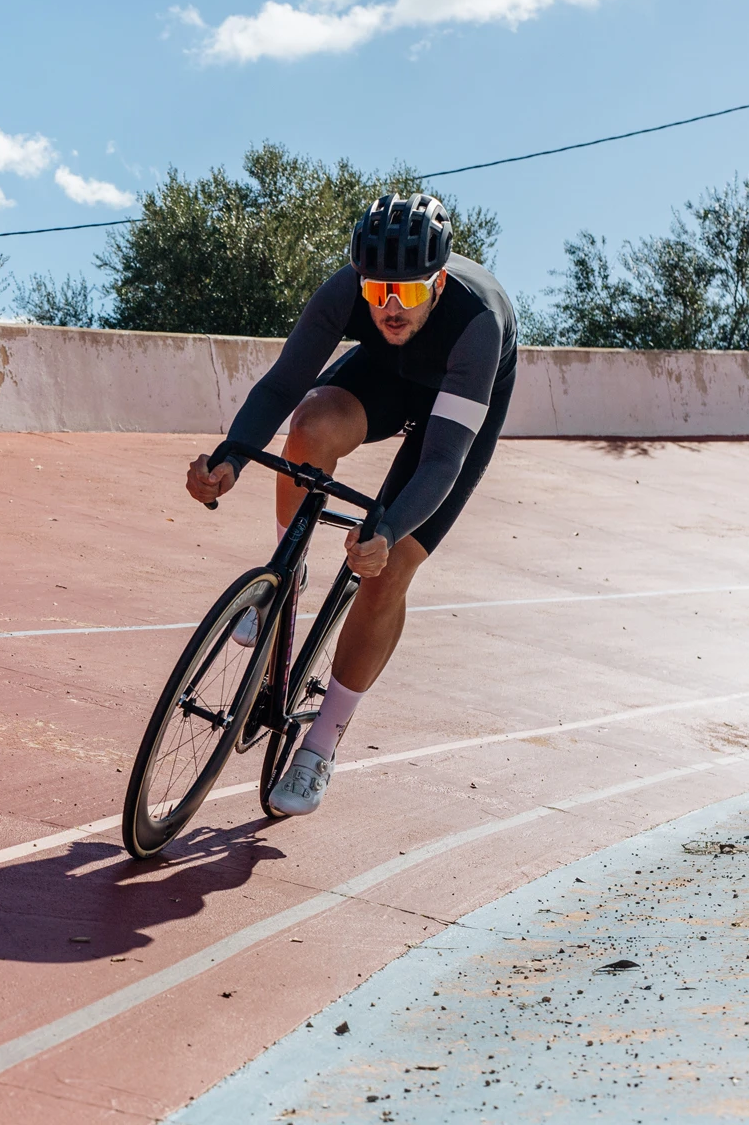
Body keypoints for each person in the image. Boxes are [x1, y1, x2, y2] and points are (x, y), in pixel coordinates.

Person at [184, 193, 517, 816]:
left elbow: (443, 461)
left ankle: (321, 744)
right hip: (388, 375)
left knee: (387, 570)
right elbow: (283, 384)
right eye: (378, 291)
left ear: (439, 281)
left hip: (459, 401)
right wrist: (231, 456)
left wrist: (387, 530)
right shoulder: (347, 293)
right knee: (309, 427)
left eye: (410, 294)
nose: (391, 307)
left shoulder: (478, 324)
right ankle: (286, 571)